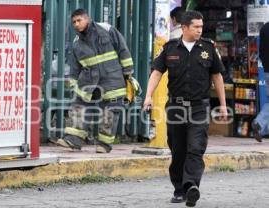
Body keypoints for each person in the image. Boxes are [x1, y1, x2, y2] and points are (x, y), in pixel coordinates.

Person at [143, 11, 227, 207]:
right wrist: (148, 97)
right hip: (176, 107)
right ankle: (179, 189)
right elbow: (156, 73)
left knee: (196, 148)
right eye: (196, 27)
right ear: (185, 27)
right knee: (178, 150)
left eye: (201, 26)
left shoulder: (208, 48)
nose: (200, 30)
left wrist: (223, 105)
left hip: (199, 107)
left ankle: (191, 187)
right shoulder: (170, 48)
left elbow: (217, 77)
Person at [57, 9, 134, 153]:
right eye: (74, 22)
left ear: (88, 19)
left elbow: (122, 49)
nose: (76, 24)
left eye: (79, 20)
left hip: (112, 79)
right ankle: (73, 139)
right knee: (79, 106)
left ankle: (104, 144)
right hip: (89, 82)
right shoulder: (76, 43)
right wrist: (73, 82)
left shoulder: (107, 29)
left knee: (110, 112)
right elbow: (74, 67)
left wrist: (127, 72)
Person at [252, 22, 269, 142]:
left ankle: (261, 127)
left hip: (267, 70)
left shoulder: (265, 27)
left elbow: (261, 50)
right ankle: (259, 123)